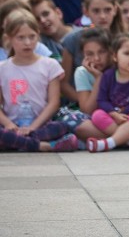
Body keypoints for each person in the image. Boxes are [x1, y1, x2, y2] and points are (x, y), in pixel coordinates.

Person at [0, 12, 78, 152]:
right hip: (12, 125)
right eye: (21, 38)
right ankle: (43, 146)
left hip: (41, 124)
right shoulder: (2, 68)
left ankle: (20, 142)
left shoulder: (50, 65)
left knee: (61, 126)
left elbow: (54, 102)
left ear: (38, 35)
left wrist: (33, 127)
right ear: (9, 38)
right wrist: (8, 124)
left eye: (32, 36)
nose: (27, 42)